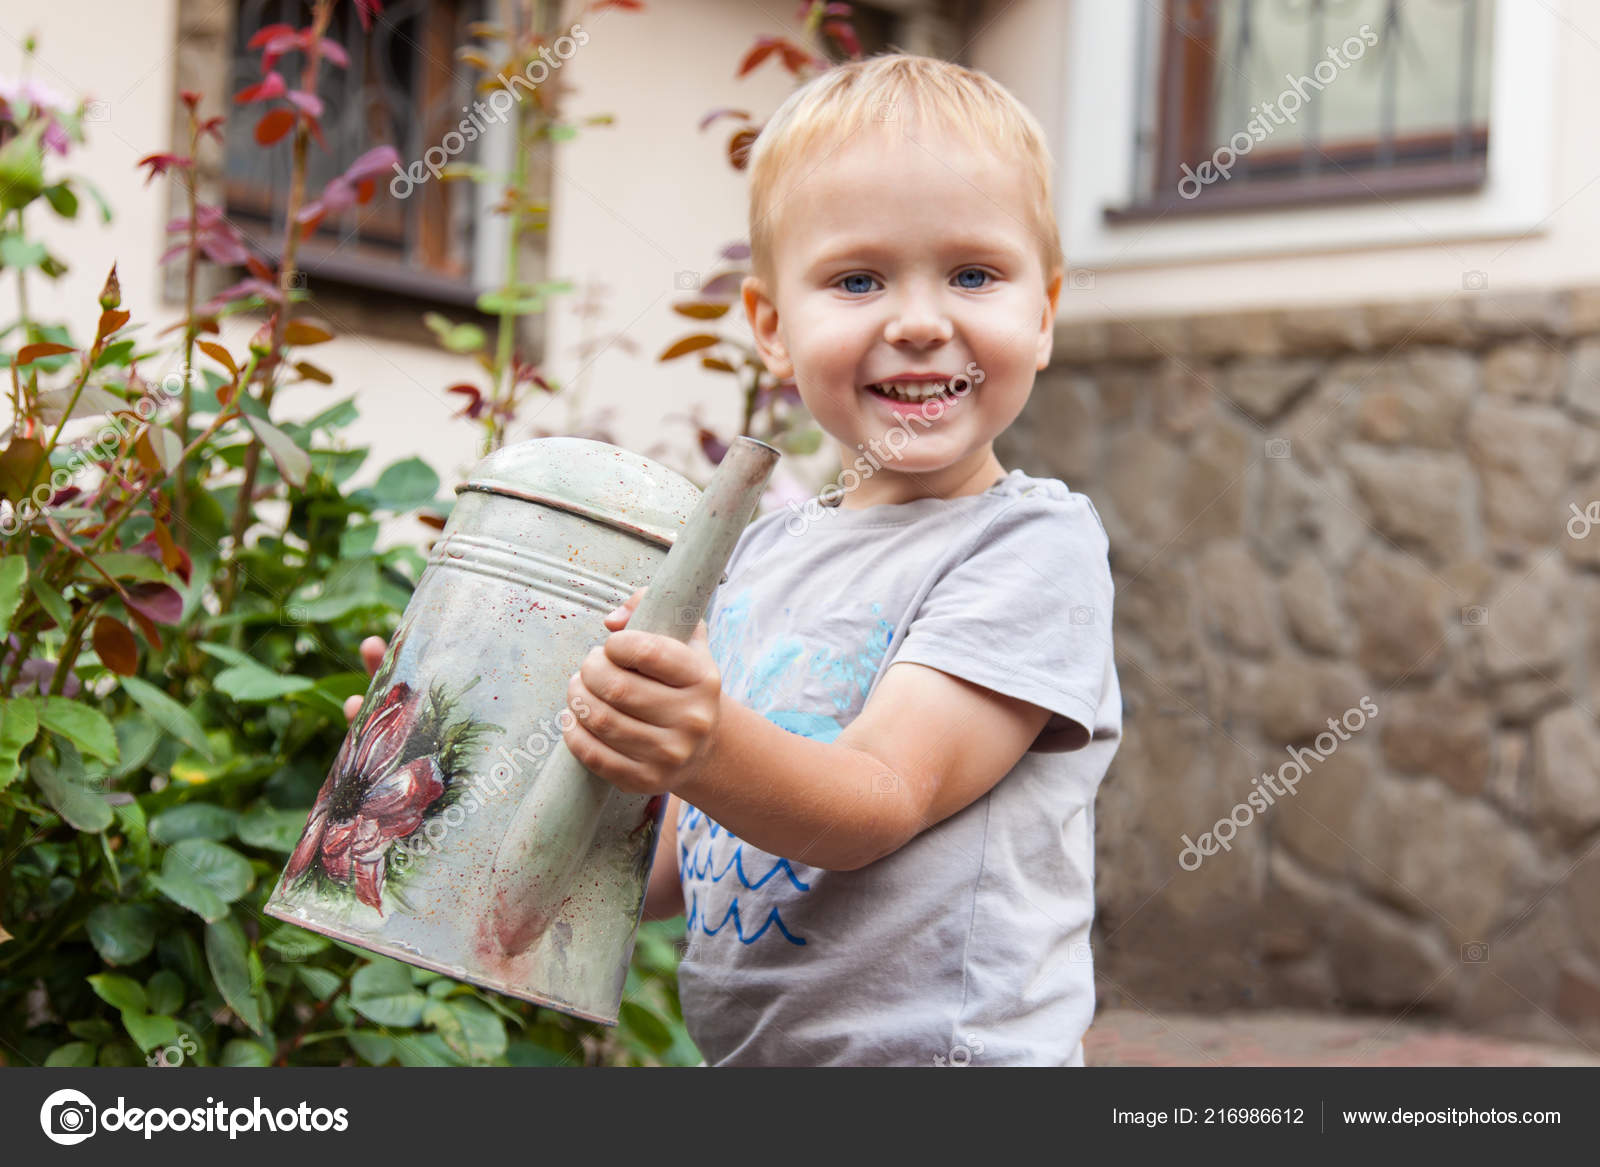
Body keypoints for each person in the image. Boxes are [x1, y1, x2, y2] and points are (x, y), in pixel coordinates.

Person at [353, 52, 1121, 1066]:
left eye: (974, 274)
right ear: (769, 326)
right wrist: (458, 761)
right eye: (857, 279)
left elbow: (876, 800)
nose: (922, 321)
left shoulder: (1028, 550)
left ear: (1043, 312)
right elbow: (676, 862)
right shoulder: (757, 558)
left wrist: (700, 742)